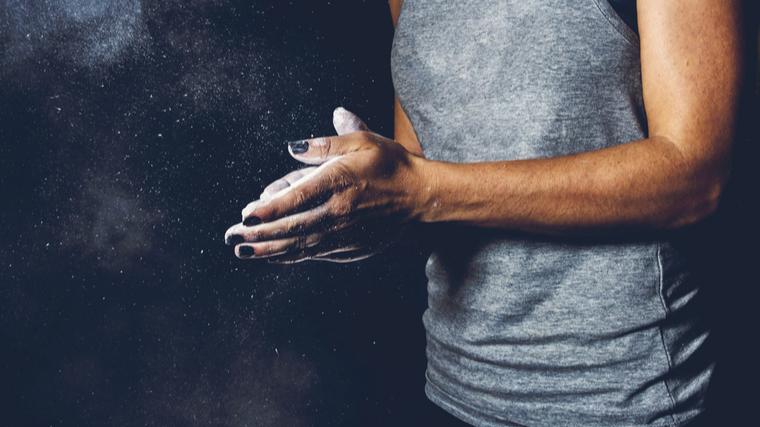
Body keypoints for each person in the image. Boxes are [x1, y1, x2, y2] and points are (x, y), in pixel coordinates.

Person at [225, 0, 744, 425]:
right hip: (457, 385)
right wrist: (357, 198)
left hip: (623, 393)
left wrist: (419, 192)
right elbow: (426, 167)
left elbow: (695, 174)